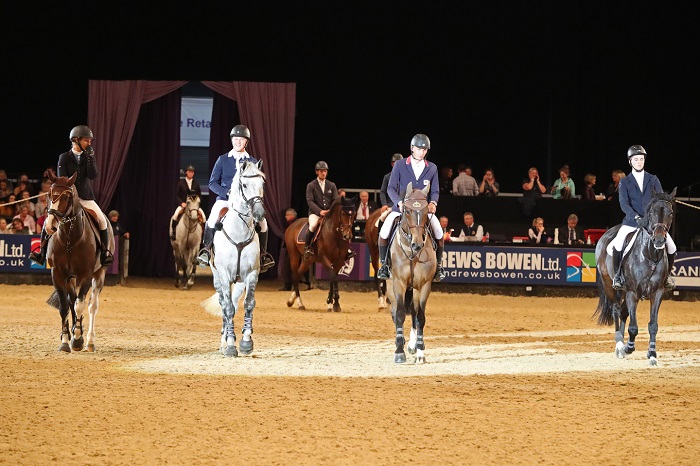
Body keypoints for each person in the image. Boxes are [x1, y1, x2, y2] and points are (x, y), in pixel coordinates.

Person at [30, 125, 114, 266]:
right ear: (76, 140)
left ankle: (105, 253)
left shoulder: (88, 156)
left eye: (90, 141)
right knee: (48, 221)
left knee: (102, 220)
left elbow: (93, 175)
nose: (89, 143)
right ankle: (41, 253)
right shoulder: (64, 157)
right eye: (87, 140)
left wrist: (90, 158)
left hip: (86, 197)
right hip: (67, 198)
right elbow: (62, 179)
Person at [197, 125, 275, 272]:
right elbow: (212, 183)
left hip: (245, 203)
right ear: (232, 140)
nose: (238, 142)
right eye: (236, 139)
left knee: (263, 223)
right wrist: (227, 193)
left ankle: (263, 255)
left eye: (242, 139)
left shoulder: (252, 161)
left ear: (246, 142)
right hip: (225, 200)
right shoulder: (222, 160)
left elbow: (258, 184)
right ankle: (206, 250)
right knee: (212, 218)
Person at [376, 133, 446, 282]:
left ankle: (438, 266)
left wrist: (433, 202)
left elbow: (435, 190)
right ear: (412, 148)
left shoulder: (432, 168)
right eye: (420, 149)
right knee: (384, 231)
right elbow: (390, 189)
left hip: (422, 211)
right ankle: (384, 266)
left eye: (425, 149)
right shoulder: (401, 165)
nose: (423, 152)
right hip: (402, 209)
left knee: (439, 231)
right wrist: (399, 203)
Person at [609, 145, 677, 290]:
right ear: (630, 162)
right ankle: (618, 276)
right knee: (619, 243)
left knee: (672, 246)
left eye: (641, 159)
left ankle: (667, 277)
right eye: (636, 159)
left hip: (651, 223)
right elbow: (624, 204)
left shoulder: (653, 179)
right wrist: (635, 216)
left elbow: (659, 200)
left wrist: (653, 216)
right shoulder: (624, 182)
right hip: (631, 222)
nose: (639, 162)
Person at [303, 161, 356, 261]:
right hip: (315, 213)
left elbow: (335, 200)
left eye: (325, 171)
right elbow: (310, 201)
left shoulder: (331, 185)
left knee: (341, 226)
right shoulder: (311, 185)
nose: (324, 173)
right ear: (317, 172)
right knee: (313, 225)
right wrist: (320, 211)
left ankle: (347, 249)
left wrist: (330, 210)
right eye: (321, 171)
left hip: (328, 213)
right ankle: (308, 248)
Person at [170, 165, 205, 240]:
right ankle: (173, 232)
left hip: (194, 206)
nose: (191, 173)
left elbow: (200, 195)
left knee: (204, 217)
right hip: (184, 205)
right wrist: (181, 203)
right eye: (189, 172)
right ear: (186, 172)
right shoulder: (181, 183)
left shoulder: (196, 184)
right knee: (175, 215)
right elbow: (176, 195)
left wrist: (197, 203)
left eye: (192, 172)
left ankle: (203, 236)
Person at [380, 153, 403, 222]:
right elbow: (383, 192)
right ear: (392, 164)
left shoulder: (407, 177)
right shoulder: (387, 177)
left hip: (404, 205)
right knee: (382, 218)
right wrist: (384, 204)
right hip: (390, 205)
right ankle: (380, 233)